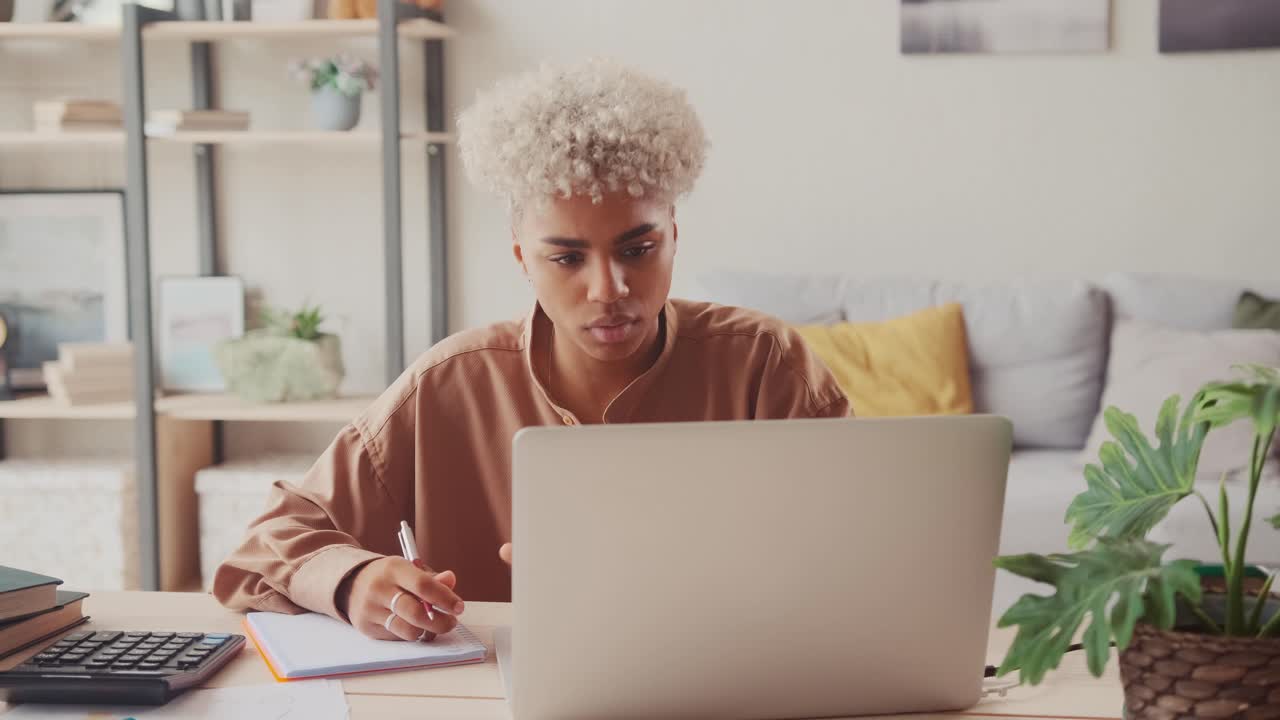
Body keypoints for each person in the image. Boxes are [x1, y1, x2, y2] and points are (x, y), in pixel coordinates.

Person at [212, 58, 850, 643]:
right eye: (567, 257)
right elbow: (263, 549)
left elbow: (866, 551)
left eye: (637, 248)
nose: (610, 289)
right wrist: (354, 583)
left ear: (673, 236)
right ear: (523, 258)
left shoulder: (766, 366)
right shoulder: (447, 387)